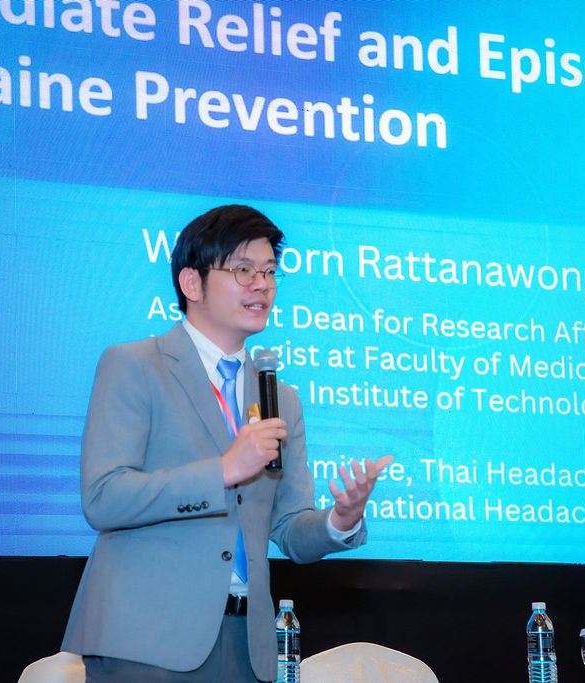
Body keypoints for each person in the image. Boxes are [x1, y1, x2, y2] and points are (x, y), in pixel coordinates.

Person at [61, 205, 393, 682]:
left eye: (269, 272)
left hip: (247, 645)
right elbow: (103, 497)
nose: (262, 285)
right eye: (243, 271)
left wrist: (341, 520)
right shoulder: (135, 365)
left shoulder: (280, 398)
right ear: (191, 283)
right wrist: (222, 470)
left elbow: (290, 528)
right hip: (145, 640)